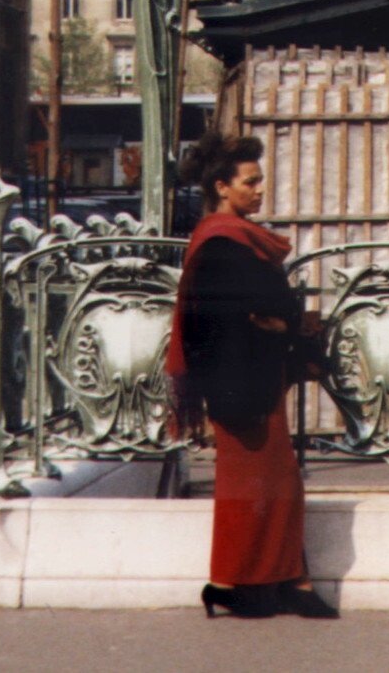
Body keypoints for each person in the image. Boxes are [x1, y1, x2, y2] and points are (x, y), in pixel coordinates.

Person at [166, 132, 337, 620]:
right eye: (251, 182)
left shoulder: (229, 238)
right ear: (223, 186)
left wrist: (275, 321)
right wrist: (279, 320)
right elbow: (223, 321)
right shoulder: (222, 243)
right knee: (263, 489)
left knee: (269, 488)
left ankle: (246, 584)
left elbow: (254, 312)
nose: (260, 190)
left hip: (252, 382)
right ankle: (265, 584)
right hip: (243, 388)